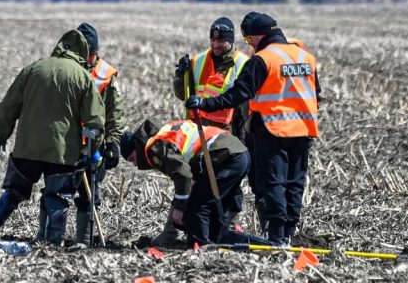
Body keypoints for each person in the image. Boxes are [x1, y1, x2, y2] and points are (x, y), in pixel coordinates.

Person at [185, 12, 321, 245]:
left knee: (274, 182)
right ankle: (289, 232)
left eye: (248, 40)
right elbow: (316, 94)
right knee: (295, 183)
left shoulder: (263, 59)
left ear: (258, 36)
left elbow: (237, 94)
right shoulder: (305, 56)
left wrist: (205, 103)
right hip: (304, 129)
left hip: (272, 129)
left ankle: (277, 236)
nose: (249, 46)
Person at [0, 28, 105, 247]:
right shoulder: (82, 77)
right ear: (84, 53)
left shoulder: (33, 69)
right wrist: (93, 151)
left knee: (14, 192)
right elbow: (95, 121)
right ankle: (52, 244)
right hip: (62, 153)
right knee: (58, 198)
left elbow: (7, 108)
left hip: (28, 148)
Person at [34, 23, 126, 248]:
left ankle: (84, 241)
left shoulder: (105, 75)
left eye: (90, 53)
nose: (86, 57)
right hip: (64, 145)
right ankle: (46, 238)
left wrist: (112, 143)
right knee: (54, 191)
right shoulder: (62, 69)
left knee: (89, 195)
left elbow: (115, 114)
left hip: (92, 146)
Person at [119, 119, 269, 247]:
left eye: (132, 159)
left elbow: (183, 175)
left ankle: (201, 248)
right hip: (237, 153)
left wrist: (179, 208)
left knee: (198, 206)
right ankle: (245, 243)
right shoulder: (164, 133)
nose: (134, 164)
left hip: (225, 157)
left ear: (136, 147)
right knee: (213, 219)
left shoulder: (153, 147)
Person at [172, 17, 249, 132]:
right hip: (196, 127)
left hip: (225, 131)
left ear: (231, 41)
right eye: (213, 40)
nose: (215, 44)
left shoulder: (244, 63)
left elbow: (246, 109)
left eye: (220, 41)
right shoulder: (198, 60)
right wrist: (181, 75)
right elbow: (182, 95)